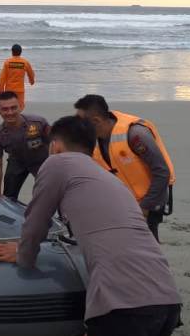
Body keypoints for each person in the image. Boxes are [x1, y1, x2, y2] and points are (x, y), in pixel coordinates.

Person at [0, 115, 182, 336]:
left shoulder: (56, 164)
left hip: (125, 308)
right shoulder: (110, 180)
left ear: (55, 146)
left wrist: (22, 255)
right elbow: (112, 247)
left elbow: (36, 220)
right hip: (165, 303)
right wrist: (97, 321)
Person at [74, 95, 175, 241]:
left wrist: (144, 208)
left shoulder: (136, 135)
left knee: (146, 245)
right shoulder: (96, 140)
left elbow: (162, 172)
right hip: (126, 200)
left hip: (151, 200)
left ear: (96, 121)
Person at [0, 91, 51, 201]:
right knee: (8, 197)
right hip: (17, 161)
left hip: (42, 161)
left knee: (50, 194)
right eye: (5, 109)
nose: (10, 112)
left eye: (14, 108)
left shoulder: (39, 123)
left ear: (21, 107)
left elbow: (57, 145)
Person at [0, 44, 35, 108]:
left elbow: (2, 79)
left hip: (9, 90)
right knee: (20, 107)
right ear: (21, 52)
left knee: (9, 107)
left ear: (12, 52)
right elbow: (31, 74)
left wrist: (0, 92)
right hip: (20, 90)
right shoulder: (25, 62)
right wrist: (32, 81)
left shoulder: (7, 62)